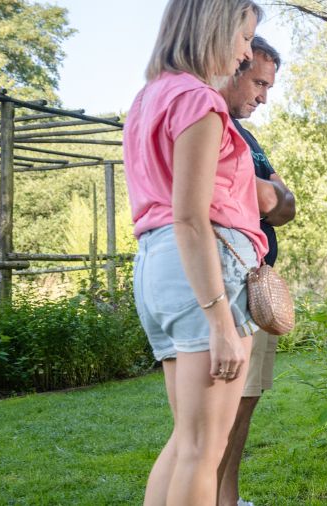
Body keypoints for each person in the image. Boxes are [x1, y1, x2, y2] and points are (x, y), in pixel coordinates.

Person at [124, 1, 265, 504]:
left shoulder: (149, 97)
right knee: (206, 448)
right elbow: (190, 216)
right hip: (204, 270)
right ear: (215, 28)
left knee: (188, 440)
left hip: (158, 268)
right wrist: (221, 322)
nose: (247, 55)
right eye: (245, 38)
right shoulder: (199, 100)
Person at [215, 35, 296, 506]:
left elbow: (284, 204)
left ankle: (229, 497)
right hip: (227, 284)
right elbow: (266, 198)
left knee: (246, 401)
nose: (264, 96)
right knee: (219, 408)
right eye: (259, 83)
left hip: (258, 287)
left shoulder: (248, 137)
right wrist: (266, 195)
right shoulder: (212, 124)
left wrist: (271, 196)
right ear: (234, 68)